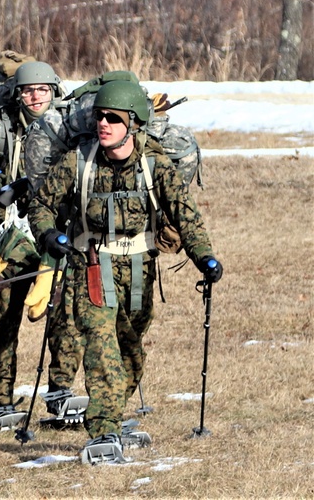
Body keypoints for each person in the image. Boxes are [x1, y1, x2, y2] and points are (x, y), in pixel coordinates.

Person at [28, 80, 223, 463]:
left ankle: (111, 417)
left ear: (132, 124)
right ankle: (103, 433)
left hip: (139, 271)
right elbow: (41, 205)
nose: (103, 124)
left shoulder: (155, 166)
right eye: (99, 116)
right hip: (90, 268)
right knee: (103, 351)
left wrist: (205, 258)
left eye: (113, 118)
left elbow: (186, 214)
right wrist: (49, 235)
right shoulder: (78, 161)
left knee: (131, 357)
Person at [0, 60, 67, 432]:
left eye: (42, 90)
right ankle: (0, 404)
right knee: (3, 319)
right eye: (28, 90)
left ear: (54, 91)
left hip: (54, 237)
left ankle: (61, 394)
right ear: (17, 93)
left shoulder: (67, 128)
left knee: (64, 316)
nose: (35, 97)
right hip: (9, 238)